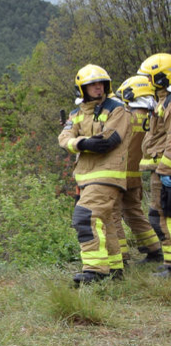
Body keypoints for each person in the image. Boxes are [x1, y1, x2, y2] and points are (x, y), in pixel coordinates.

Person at [58, 65, 132, 285]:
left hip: (108, 176)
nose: (98, 87)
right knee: (106, 222)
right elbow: (64, 138)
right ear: (82, 88)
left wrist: (79, 143)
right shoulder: (77, 113)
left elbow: (107, 142)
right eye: (92, 84)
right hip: (87, 177)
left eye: (101, 83)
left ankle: (94, 270)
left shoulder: (117, 109)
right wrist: (83, 142)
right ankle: (114, 270)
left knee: (85, 216)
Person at [113, 76, 162, 264]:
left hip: (118, 175)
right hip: (136, 176)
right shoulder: (154, 116)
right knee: (134, 212)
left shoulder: (126, 117)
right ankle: (154, 249)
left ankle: (120, 257)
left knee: (113, 215)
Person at [139, 53, 171, 276]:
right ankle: (169, 262)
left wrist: (164, 169)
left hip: (165, 170)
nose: (148, 82)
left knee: (163, 217)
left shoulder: (169, 102)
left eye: (150, 78)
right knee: (160, 216)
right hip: (159, 169)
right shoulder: (162, 100)